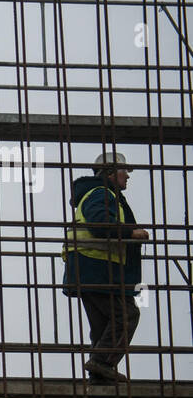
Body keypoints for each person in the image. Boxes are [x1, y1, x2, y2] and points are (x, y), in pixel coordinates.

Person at [62, 151, 149, 383]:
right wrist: (131, 232)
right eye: (124, 172)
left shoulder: (97, 193)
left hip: (87, 269)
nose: (127, 177)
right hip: (97, 270)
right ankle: (101, 363)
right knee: (127, 315)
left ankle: (99, 374)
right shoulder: (101, 192)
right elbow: (99, 223)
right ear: (110, 173)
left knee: (103, 326)